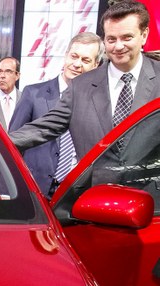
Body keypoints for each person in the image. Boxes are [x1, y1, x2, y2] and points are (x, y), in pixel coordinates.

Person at [10, 1, 160, 168]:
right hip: (94, 190)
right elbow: (44, 127)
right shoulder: (81, 86)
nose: (118, 46)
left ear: (144, 35)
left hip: (149, 190)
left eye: (127, 37)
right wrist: (0, 142)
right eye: (111, 39)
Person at [9, 32, 103, 196]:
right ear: (66, 55)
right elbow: (15, 138)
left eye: (85, 60)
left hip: (77, 192)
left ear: (96, 65)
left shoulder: (99, 101)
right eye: (74, 56)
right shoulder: (33, 93)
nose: (77, 64)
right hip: (35, 189)